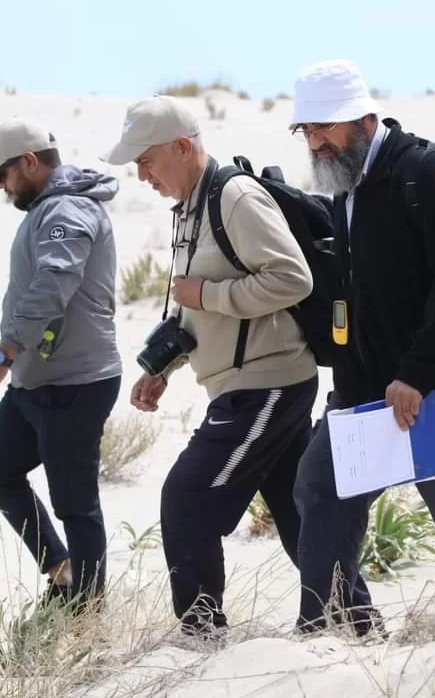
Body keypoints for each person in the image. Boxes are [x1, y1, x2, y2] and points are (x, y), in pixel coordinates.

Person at [287, 58, 435, 637]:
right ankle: (333, 630)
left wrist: (419, 374)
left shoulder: (428, 173)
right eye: (307, 130)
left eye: (325, 127)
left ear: (364, 120)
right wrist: (346, 384)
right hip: (369, 394)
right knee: (320, 487)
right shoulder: (346, 188)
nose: (316, 143)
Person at [99, 95, 319, 639]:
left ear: (182, 147)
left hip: (268, 382)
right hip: (244, 385)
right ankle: (349, 618)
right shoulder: (192, 209)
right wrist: (165, 367)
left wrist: (208, 294)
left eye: (146, 160)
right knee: (301, 514)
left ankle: (201, 634)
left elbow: (293, 279)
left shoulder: (235, 198)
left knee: (187, 500)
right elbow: (193, 306)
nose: (142, 175)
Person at [0, 117, 123, 612]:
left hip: (74, 383)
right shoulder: (48, 210)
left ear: (30, 162)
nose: (0, 184)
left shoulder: (67, 211)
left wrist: (3, 355)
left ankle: (87, 611)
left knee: (75, 503)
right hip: (35, 382)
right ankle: (62, 569)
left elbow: (53, 286)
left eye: (2, 173)